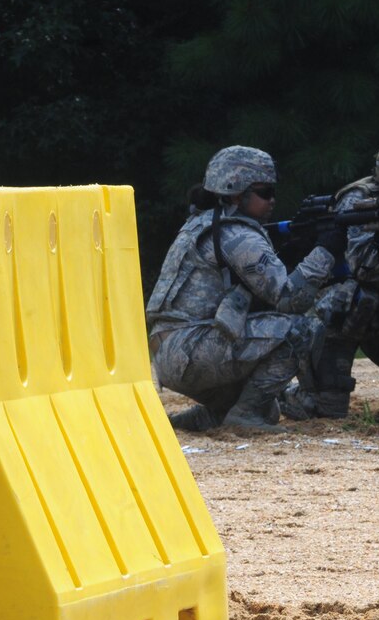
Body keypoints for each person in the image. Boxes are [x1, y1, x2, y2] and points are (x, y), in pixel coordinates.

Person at [146, 146, 345, 432]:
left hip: (174, 352)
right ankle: (243, 416)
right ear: (236, 193)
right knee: (298, 330)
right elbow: (291, 299)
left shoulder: (206, 224)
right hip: (192, 351)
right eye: (265, 192)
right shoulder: (236, 234)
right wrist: (324, 250)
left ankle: (205, 419)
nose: (273, 200)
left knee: (270, 411)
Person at [281, 134, 379, 420]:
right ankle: (322, 396)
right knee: (352, 297)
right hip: (352, 308)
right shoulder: (360, 201)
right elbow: (367, 266)